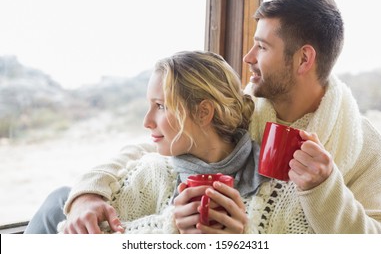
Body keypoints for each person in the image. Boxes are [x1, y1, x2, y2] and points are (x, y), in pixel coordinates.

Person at [25, 0, 381, 234]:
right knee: (60, 199)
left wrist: (325, 189)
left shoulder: (360, 144)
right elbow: (153, 147)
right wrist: (88, 193)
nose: (247, 58)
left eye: (261, 47)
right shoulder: (247, 109)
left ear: (304, 59)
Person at [54, 50, 267, 233]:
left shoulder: (271, 184)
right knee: (57, 200)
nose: (146, 122)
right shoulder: (149, 174)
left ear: (203, 112)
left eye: (161, 106)